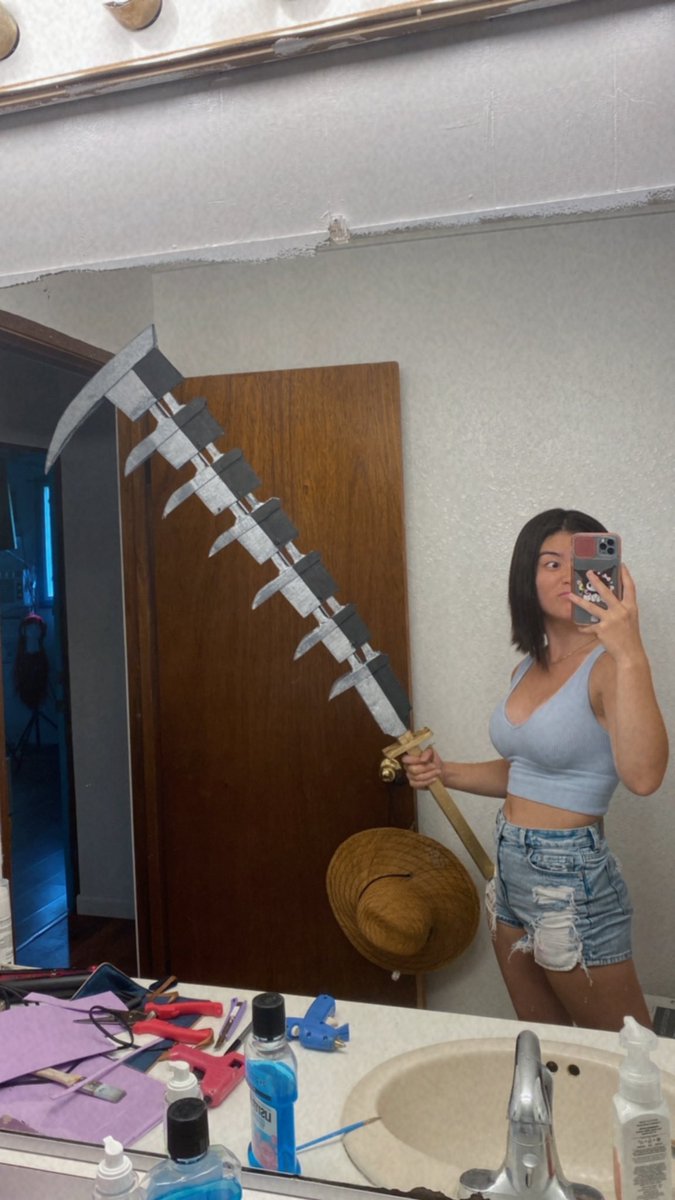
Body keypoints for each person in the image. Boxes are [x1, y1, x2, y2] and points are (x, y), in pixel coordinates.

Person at [403, 509, 668, 1031]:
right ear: (527, 578)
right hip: (510, 872)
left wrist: (631, 651)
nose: (567, 574)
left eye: (579, 561)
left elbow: (644, 777)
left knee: (623, 1055)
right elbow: (525, 774)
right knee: (545, 1046)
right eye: (551, 563)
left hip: (568, 879)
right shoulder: (525, 668)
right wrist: (445, 772)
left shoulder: (609, 666)